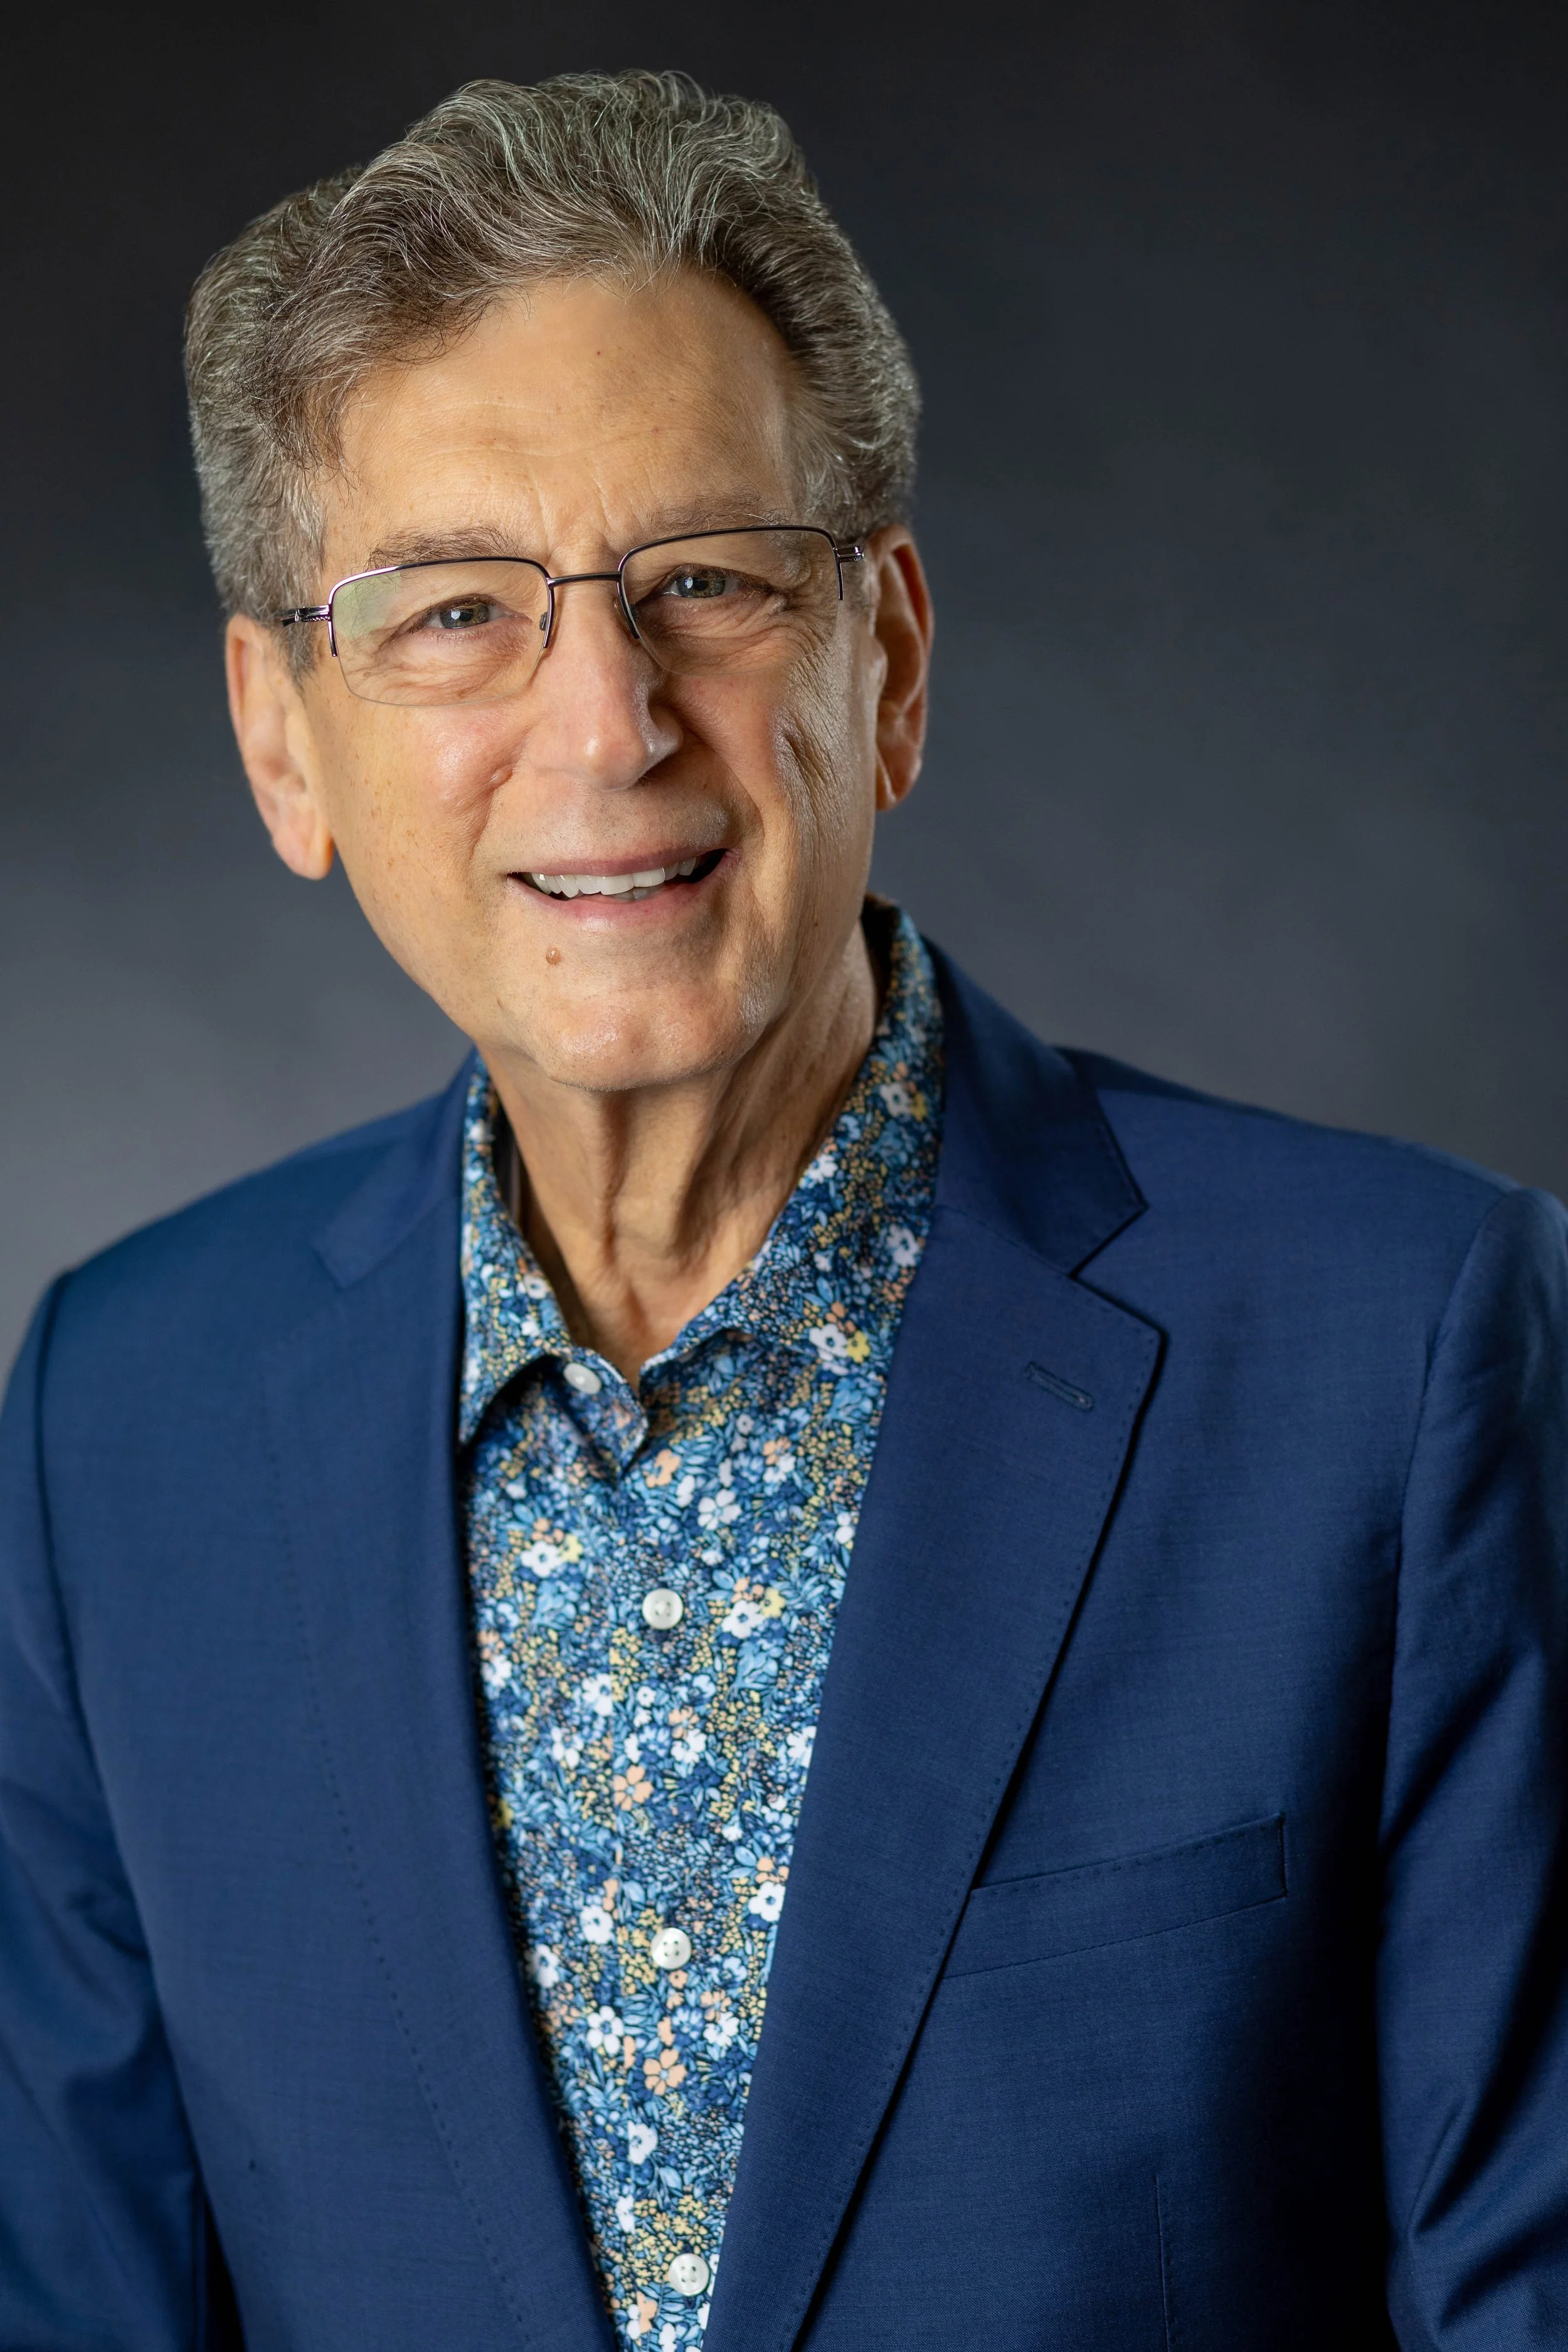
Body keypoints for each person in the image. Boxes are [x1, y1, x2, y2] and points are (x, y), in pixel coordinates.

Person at [2, 68, 1566, 2352]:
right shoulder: (114, 1421)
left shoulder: (1402, 1351)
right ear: (279, 735)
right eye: (454, 610)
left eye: (707, 581)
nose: (605, 722)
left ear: (887, 659)